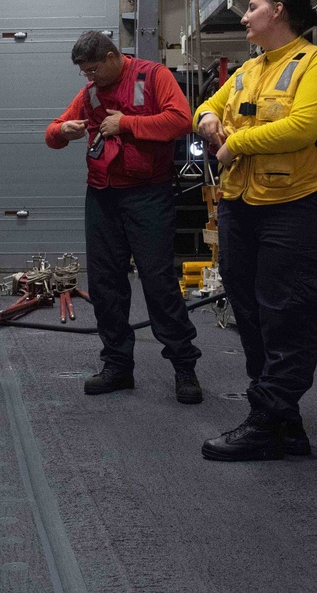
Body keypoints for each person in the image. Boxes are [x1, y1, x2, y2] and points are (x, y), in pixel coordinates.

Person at [194, 0, 317, 462]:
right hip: (241, 206)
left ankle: (267, 422)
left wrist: (236, 143)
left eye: (252, 7)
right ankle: (283, 423)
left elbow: (303, 127)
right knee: (252, 314)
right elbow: (207, 106)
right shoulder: (247, 70)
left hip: (294, 209)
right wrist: (209, 121)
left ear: (278, 11)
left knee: (287, 315)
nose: (244, 16)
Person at [45, 31, 203, 403]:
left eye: (94, 69)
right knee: (104, 285)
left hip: (148, 194)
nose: (89, 78)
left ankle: (184, 366)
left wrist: (127, 124)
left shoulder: (154, 76)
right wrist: (62, 131)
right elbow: (52, 134)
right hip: (102, 196)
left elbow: (182, 121)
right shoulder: (89, 94)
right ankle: (117, 365)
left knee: (158, 283)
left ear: (114, 57)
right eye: (84, 72)